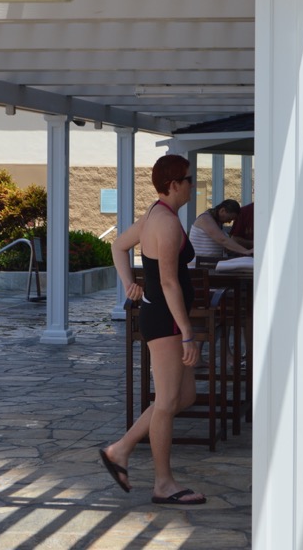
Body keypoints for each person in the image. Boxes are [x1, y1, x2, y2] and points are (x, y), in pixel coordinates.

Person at [100, 154, 206, 506]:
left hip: (162, 315)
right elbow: (168, 282)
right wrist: (188, 332)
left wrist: (128, 283)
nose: (193, 185)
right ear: (174, 184)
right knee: (167, 402)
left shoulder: (154, 215)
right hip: (165, 320)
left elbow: (118, 245)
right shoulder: (166, 223)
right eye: (189, 179)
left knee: (183, 397)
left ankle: (120, 449)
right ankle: (163, 483)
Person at [188, 199, 253, 260]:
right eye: (229, 218)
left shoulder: (217, 222)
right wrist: (246, 251)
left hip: (209, 262)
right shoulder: (205, 219)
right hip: (199, 264)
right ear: (222, 210)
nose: (229, 222)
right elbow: (222, 240)